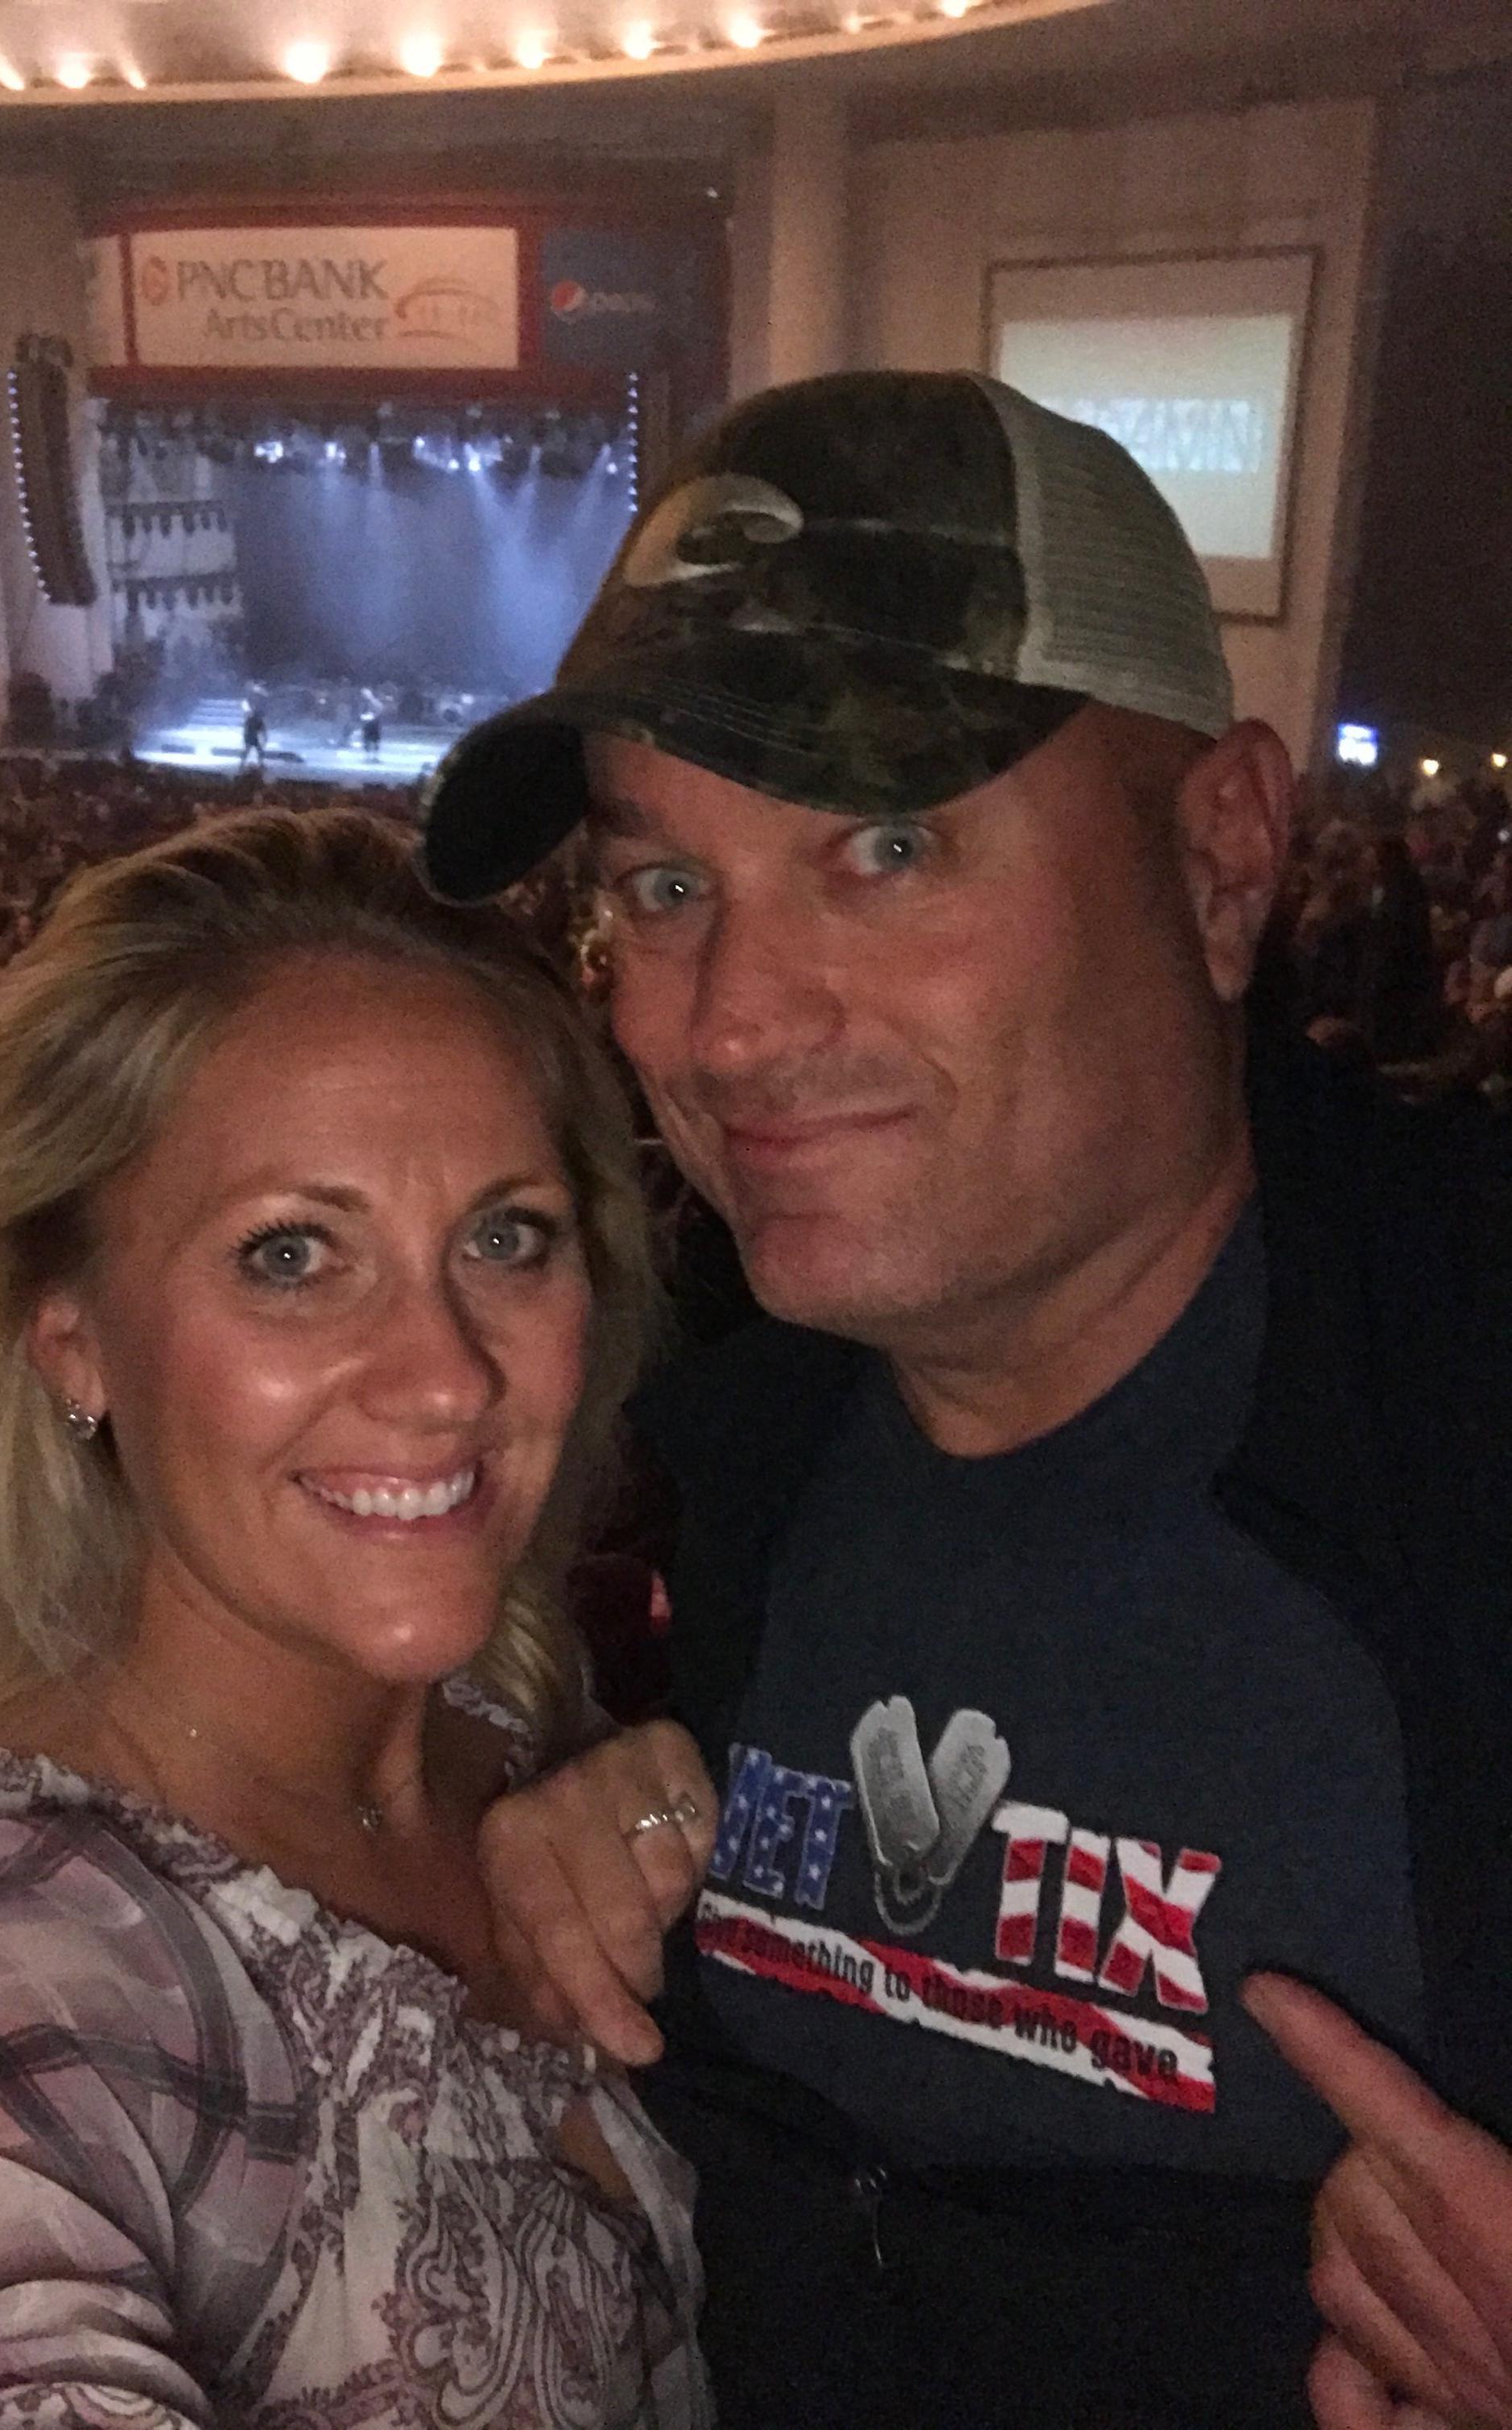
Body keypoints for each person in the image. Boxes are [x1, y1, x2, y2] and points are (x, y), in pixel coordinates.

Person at [420, 373, 1512, 2428]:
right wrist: (605, 1826)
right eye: (661, 888)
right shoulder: (736, 1450)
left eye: (887, 846)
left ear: (1220, 857)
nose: (728, 1022)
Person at [0, 809, 711, 2430]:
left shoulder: (528, 1738)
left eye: (505, 1237)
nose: (447, 1376)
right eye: (291, 1255)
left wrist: (677, 1809)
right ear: (69, 1334)